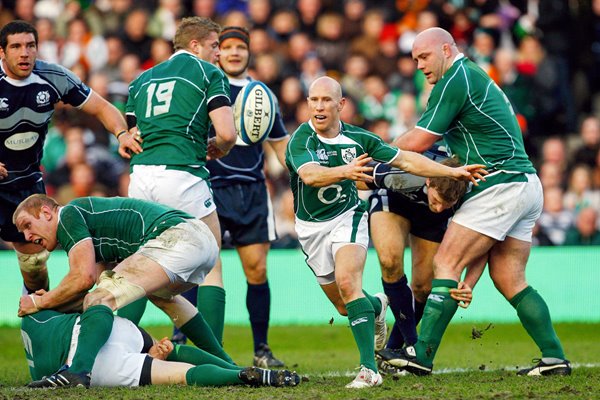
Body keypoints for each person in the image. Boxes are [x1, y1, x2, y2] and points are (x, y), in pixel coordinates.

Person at [379, 27, 570, 376]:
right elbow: (484, 242)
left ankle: (420, 355)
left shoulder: (456, 77)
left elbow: (421, 139)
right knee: (510, 278)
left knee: (445, 262)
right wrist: (471, 281)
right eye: (414, 59)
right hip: (525, 183)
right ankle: (554, 356)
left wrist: (380, 154)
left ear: (447, 50)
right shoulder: (471, 76)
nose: (419, 65)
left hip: (498, 183)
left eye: (424, 56)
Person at [285, 76, 486, 388]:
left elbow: (406, 159)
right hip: (310, 227)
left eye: (326, 100)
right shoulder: (301, 140)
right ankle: (377, 306)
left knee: (350, 283)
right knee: (344, 305)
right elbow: (310, 176)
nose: (319, 106)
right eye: (314, 100)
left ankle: (369, 370)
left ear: (341, 105)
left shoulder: (360, 140)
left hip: (347, 217)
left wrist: (451, 171)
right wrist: (344, 172)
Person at [13, 194, 234, 387]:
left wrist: (41, 302)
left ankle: (77, 372)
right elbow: (89, 287)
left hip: (177, 236)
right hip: (199, 239)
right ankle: (227, 363)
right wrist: (53, 302)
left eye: (27, 225)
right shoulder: (90, 228)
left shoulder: (68, 215)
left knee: (100, 299)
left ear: (46, 212)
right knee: (165, 299)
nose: (26, 237)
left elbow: (83, 278)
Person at [0, 20, 138, 303]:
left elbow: (101, 106)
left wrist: (122, 133)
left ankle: (37, 321)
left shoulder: (52, 77)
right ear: (2, 52)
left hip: (25, 182)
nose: (24, 53)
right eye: (16, 47)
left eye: (30, 46)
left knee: (34, 266)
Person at [116, 16, 237, 332]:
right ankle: (218, 358)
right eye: (214, 46)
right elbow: (227, 132)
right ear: (195, 45)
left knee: (135, 269)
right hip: (181, 174)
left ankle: (118, 346)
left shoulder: (142, 80)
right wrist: (217, 146)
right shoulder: (209, 73)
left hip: (141, 179)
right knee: (212, 263)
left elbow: (132, 135)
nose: (218, 54)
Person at [201, 26, 289, 367]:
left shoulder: (262, 94)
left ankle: (262, 349)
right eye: (228, 47)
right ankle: (189, 341)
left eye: (241, 47)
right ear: (217, 52)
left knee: (256, 269)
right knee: (200, 267)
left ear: (249, 53)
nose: (235, 53)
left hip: (252, 190)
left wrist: (302, 175)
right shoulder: (206, 86)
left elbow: (280, 145)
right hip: (210, 189)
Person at [362, 153, 475, 372]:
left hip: (430, 222)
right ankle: (413, 346)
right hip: (394, 202)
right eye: (437, 199)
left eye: (447, 203)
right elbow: (360, 175)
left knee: (423, 288)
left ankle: (393, 351)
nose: (441, 206)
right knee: (389, 261)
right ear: (429, 181)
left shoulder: (466, 190)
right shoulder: (405, 174)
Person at [22, 309, 300, 388]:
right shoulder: (38, 310)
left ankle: (237, 375)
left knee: (179, 374)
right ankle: (237, 367)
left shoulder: (30, 316)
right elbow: (83, 295)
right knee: (168, 347)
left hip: (95, 363)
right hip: (112, 328)